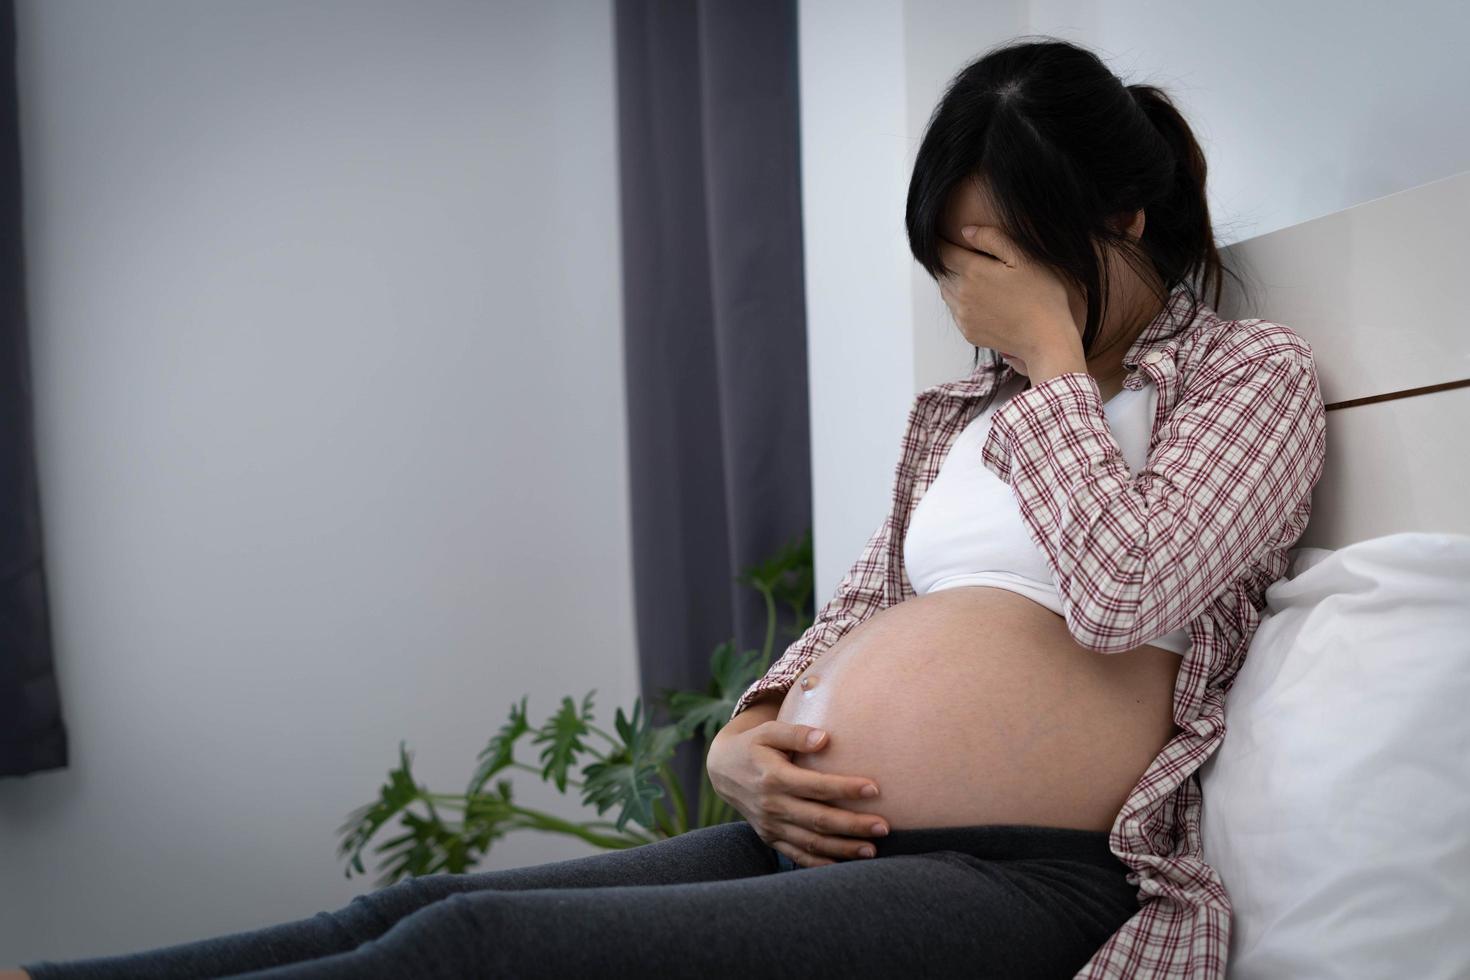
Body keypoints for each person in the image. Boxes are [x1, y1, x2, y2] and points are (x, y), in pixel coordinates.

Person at [8, 34, 1326, 980]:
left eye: (990, 263)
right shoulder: (965, 416)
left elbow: (1126, 596)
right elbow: (866, 607)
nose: (964, 305)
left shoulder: (1236, 377)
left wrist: (1049, 365)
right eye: (948, 267)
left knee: (472, 955)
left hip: (1028, 876)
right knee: (412, 909)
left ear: (1119, 217)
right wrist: (746, 737)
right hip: (826, 846)